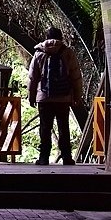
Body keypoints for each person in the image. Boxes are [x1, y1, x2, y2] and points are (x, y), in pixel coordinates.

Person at [28, 26, 83, 165]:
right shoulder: (67, 52)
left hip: (44, 98)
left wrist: (32, 96)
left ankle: (44, 157)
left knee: (45, 127)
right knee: (63, 126)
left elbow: (32, 78)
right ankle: (66, 157)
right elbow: (76, 76)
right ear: (61, 37)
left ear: (46, 38)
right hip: (63, 98)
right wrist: (77, 96)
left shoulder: (39, 53)